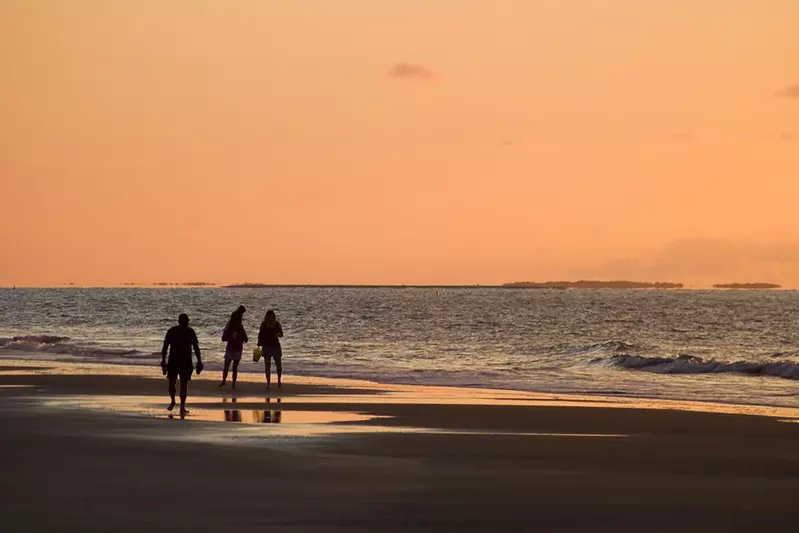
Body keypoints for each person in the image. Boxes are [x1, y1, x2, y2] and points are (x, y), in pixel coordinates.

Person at [160, 313, 203, 417]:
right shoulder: (172, 332)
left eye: (186, 322)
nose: (186, 324)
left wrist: (199, 361)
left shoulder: (190, 332)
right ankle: (173, 401)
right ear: (180, 322)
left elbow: (196, 347)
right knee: (172, 383)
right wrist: (163, 360)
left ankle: (182, 406)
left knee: (183, 384)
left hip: (186, 361)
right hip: (173, 361)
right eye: (185, 322)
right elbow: (165, 347)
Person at [219, 305, 247, 389]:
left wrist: (238, 337)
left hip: (233, 348)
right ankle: (232, 384)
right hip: (235, 348)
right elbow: (245, 339)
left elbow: (224, 338)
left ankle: (225, 381)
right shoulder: (238, 327)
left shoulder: (233, 327)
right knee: (233, 367)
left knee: (228, 366)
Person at [257, 309, 284, 389]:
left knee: (278, 365)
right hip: (267, 346)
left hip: (275, 346)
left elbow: (281, 334)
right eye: (269, 316)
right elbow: (260, 334)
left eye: (271, 316)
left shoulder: (276, 324)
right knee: (268, 365)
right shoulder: (264, 324)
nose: (270, 318)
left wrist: (278, 334)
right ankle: (269, 383)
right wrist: (259, 342)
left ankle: (278, 380)